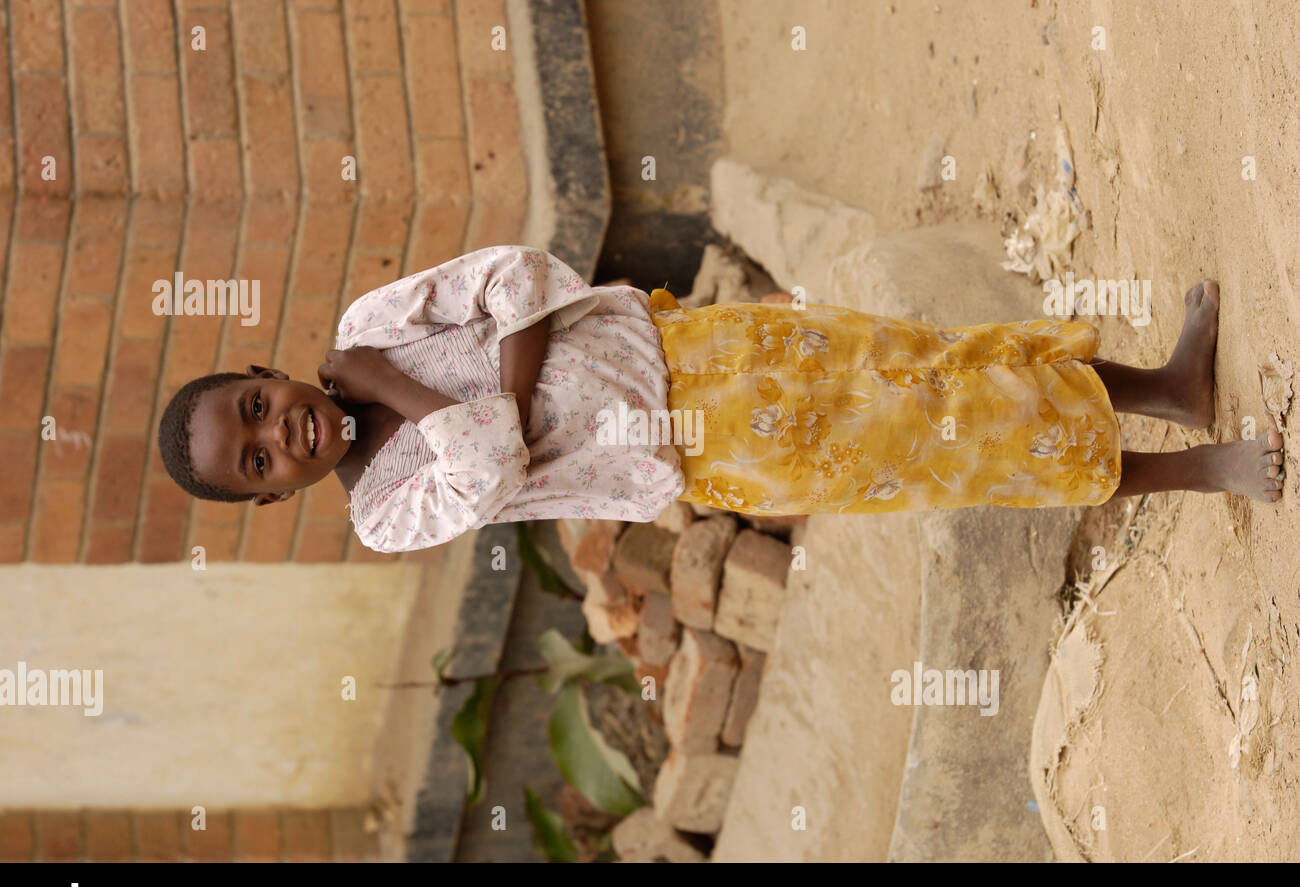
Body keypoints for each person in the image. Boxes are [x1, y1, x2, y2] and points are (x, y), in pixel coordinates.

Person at [157, 246, 1285, 553]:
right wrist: (398, 384)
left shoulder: (365, 321)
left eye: (255, 408)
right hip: (705, 450)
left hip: (694, 338)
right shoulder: (384, 513)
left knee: (928, 364)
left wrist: (484, 378)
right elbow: (491, 467)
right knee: (945, 446)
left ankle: (1166, 388)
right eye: (258, 461)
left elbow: (519, 272)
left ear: (265, 370)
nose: (278, 433)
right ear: (275, 497)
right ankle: (1193, 472)